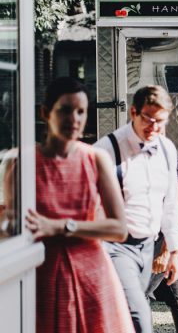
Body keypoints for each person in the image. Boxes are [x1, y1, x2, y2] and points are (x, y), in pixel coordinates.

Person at [23, 76, 134, 332]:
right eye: (65, 110)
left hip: (92, 274)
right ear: (45, 112)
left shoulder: (96, 159)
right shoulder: (23, 162)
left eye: (81, 111)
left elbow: (119, 228)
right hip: (42, 275)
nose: (74, 119)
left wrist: (61, 226)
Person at [95, 85, 178, 333]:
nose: (154, 127)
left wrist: (175, 249)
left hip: (148, 247)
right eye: (148, 119)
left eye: (160, 121)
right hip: (115, 249)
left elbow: (169, 203)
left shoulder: (166, 149)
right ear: (133, 112)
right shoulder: (106, 150)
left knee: (122, 320)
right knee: (140, 318)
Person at [146, 142, 178, 332]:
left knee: (140, 293)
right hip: (161, 235)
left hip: (167, 237)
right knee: (174, 292)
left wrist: (166, 250)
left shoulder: (172, 160)